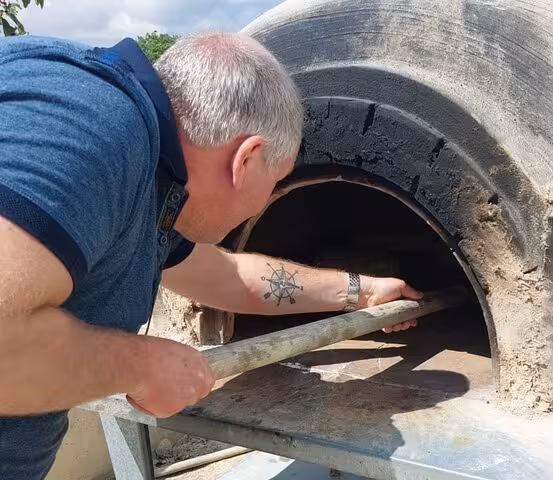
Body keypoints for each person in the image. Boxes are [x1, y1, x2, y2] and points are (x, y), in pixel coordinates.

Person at [0, 32, 421, 479]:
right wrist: (142, 366)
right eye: (275, 181)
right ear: (247, 158)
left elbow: (229, 277)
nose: (266, 203)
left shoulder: (152, 185)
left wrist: (363, 290)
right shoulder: (93, 126)